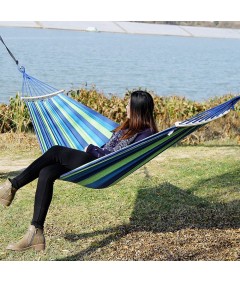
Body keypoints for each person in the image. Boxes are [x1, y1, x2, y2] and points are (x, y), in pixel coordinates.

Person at [0, 90, 158, 252]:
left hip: (102, 166)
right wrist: (94, 150)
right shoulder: (129, 127)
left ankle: (12, 186)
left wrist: (91, 149)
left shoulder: (147, 134)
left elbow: (115, 156)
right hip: (97, 161)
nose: (126, 107)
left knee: (55, 152)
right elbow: (109, 148)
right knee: (47, 172)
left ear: (138, 109)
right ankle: (35, 232)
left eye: (129, 104)